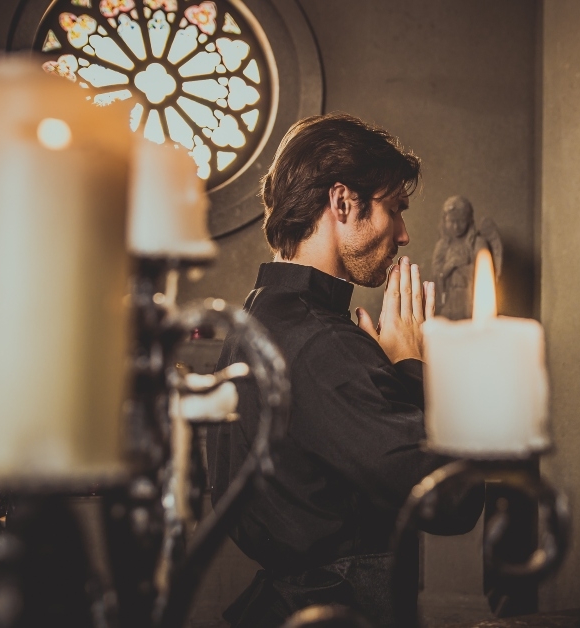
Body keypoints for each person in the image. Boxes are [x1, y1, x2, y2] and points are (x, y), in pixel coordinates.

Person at [207, 114, 483, 627]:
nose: (403, 234)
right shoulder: (323, 344)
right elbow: (453, 499)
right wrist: (411, 366)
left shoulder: (257, 316)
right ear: (343, 203)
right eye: (395, 209)